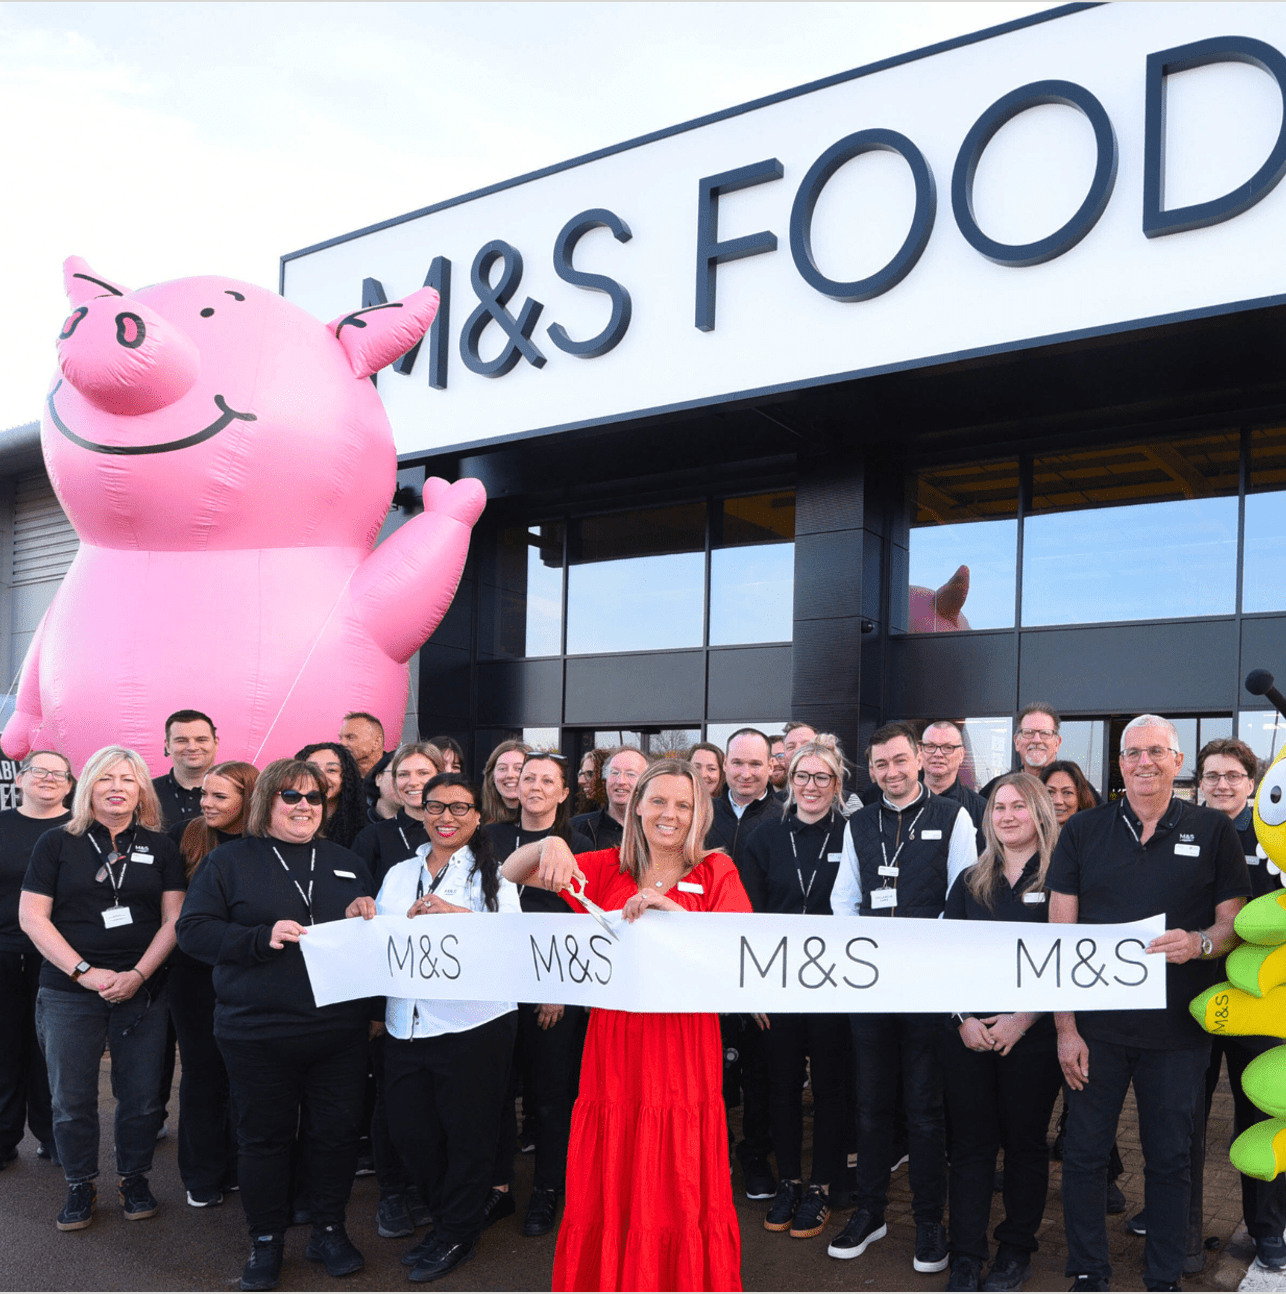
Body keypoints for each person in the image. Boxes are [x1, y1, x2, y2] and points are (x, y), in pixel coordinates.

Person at [502, 758, 750, 1292]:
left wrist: (677, 917)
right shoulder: (605, 867)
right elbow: (510, 872)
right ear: (636, 805)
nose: (670, 814)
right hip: (614, 1042)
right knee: (617, 1161)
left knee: (678, 1166)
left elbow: (738, 959)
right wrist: (548, 846)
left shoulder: (716, 872)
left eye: (684, 805)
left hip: (685, 1042)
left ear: (700, 813)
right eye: (658, 801)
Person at [1048, 715, 1250, 1293]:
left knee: (1170, 1160)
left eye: (1155, 752)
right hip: (1096, 1031)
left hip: (1179, 1033)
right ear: (1119, 764)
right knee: (1084, 1156)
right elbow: (1060, 939)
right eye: (1132, 753)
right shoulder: (1083, 831)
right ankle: (1088, 1268)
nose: (1143, 762)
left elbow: (1231, 924)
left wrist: (1201, 943)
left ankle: (1163, 1273)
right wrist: (1066, 1028)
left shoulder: (1214, 831)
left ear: (1176, 759)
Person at [176, 757, 376, 1292]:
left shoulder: (347, 861)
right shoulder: (229, 863)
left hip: (339, 1032)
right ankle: (265, 1241)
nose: (305, 806)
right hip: (256, 1032)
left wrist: (366, 910)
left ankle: (329, 1229)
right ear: (268, 801)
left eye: (315, 798)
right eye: (292, 796)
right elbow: (193, 932)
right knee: (263, 1139)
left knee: (334, 1136)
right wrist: (257, 938)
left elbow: (371, 936)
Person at [828, 721, 977, 1273]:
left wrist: (915, 946)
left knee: (924, 1111)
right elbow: (845, 898)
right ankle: (871, 1212)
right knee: (870, 1108)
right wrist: (870, 947)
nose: (891, 772)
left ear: (919, 760)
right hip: (871, 986)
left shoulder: (954, 816)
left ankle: (930, 1223)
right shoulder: (858, 822)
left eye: (899, 760)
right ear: (872, 770)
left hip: (927, 985)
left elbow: (964, 891)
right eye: (880, 765)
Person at [19, 746, 185, 1232]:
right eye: (106, 777)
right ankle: (79, 1184)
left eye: (128, 779)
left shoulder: (162, 845)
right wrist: (85, 973)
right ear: (87, 784)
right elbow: (33, 917)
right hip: (69, 991)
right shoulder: (56, 843)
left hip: (143, 991)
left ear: (141, 790)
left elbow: (174, 919)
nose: (117, 786)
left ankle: (134, 1178)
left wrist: (137, 975)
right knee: (70, 1099)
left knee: (140, 1097)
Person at [375, 773, 520, 1284]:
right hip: (406, 1023)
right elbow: (382, 939)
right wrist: (362, 914)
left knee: (468, 1135)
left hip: (472, 1023)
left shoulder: (495, 875)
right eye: (436, 807)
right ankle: (451, 1216)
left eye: (460, 808)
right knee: (411, 1132)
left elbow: (514, 941)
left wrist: (456, 914)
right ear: (421, 811)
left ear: (478, 816)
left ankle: (457, 1230)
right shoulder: (397, 873)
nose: (447, 818)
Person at [941, 774, 1065, 1292]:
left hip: (1030, 1037)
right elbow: (941, 958)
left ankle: (1015, 1250)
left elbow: (1068, 963)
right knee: (969, 1147)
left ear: (1039, 813)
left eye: (1018, 806)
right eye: (998, 807)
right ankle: (967, 1255)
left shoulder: (1062, 880)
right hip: (969, 1035)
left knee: (1024, 1145)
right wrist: (963, 1019)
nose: (1007, 815)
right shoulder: (970, 880)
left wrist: (1024, 1017)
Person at [742, 736, 850, 1241]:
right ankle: (789, 1180)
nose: (811, 786)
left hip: (834, 987)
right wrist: (755, 991)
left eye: (822, 778)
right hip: (778, 986)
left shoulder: (854, 835)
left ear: (836, 784)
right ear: (790, 781)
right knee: (780, 1086)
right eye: (803, 776)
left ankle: (822, 1185)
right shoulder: (765, 836)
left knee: (831, 1088)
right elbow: (748, 920)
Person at [483, 752, 592, 1238]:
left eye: (548, 780)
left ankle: (549, 1190)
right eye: (528, 777)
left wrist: (558, 988)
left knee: (550, 1098)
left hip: (554, 993)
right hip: (496, 988)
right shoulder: (489, 838)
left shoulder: (582, 841)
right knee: (497, 1092)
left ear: (565, 792)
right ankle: (499, 1189)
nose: (535, 786)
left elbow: (585, 923)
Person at [1188, 739, 1286, 1271]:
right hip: (1196, 1001)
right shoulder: (1185, 833)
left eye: (1232, 775)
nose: (1221, 784)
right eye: (1211, 775)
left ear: (1252, 784)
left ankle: (1267, 1227)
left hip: (1259, 1003)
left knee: (1259, 1112)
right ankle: (1177, 1218)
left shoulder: (1273, 838)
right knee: (1184, 1116)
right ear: (1199, 782)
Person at [349, 741, 443, 1241]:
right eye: (402, 772)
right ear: (388, 781)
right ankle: (393, 1193)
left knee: (435, 1101)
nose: (411, 780)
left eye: (422, 772)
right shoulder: (375, 838)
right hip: (393, 996)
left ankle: (430, 1190)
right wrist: (373, 1005)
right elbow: (362, 919)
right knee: (393, 1102)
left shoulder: (459, 832)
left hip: (450, 997)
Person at [171, 761, 259, 1209]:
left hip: (249, 974)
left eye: (219, 796)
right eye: (204, 794)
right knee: (204, 1075)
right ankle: (202, 1173)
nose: (206, 803)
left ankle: (239, 1163)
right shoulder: (185, 837)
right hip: (195, 977)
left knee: (245, 1077)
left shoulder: (267, 844)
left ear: (249, 798)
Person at [706, 728, 779, 1200]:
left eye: (756, 764)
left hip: (762, 962)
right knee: (711, 1070)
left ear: (772, 766)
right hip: (704, 963)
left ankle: (755, 1157)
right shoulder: (699, 814)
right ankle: (713, 1156)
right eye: (737, 763)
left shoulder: (786, 817)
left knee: (761, 1072)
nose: (746, 773)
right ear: (724, 765)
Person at [0, 752, 73, 1170]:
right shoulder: (3, 824)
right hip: (4, 952)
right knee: (5, 1047)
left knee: (53, 1052)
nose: (48, 778)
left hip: (58, 955)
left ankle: (53, 1135)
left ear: (69, 784)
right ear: (20, 779)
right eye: (38, 771)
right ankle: (4, 1135)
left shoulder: (81, 831)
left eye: (57, 773)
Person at [979, 704, 1065, 802]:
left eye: (1045, 733)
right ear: (1017, 742)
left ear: (1057, 743)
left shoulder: (1076, 788)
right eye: (1028, 732)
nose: (1037, 740)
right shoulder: (995, 789)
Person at [572, 746, 649, 849]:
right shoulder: (575, 829)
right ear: (605, 779)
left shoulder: (659, 831)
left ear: (647, 782)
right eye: (614, 773)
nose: (620, 781)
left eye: (630, 774)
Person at [154, 709, 219, 829]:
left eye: (201, 740)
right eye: (181, 741)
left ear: (216, 743)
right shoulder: (146, 792)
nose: (192, 747)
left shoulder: (237, 793)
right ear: (167, 745)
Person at [294, 742, 365, 849]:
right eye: (312, 769)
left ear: (346, 778)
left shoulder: (364, 829)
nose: (321, 777)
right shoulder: (286, 821)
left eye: (331, 770)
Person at [920, 719, 985, 829]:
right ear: (920, 752)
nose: (938, 754)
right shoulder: (901, 802)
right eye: (931, 746)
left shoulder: (981, 809)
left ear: (961, 755)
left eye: (948, 748)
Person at [481, 740, 531, 826]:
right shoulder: (477, 821)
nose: (510, 775)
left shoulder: (551, 823)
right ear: (492, 775)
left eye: (519, 768)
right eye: (502, 768)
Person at [1039, 760, 1097, 827]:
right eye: (1050, 792)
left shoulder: (1096, 836)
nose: (1058, 801)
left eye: (1067, 792)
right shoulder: (1027, 836)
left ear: (1080, 798)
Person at [338, 712, 386, 779]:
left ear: (376, 742)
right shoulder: (338, 776)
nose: (342, 743)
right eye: (340, 738)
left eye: (350, 737)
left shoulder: (397, 774)